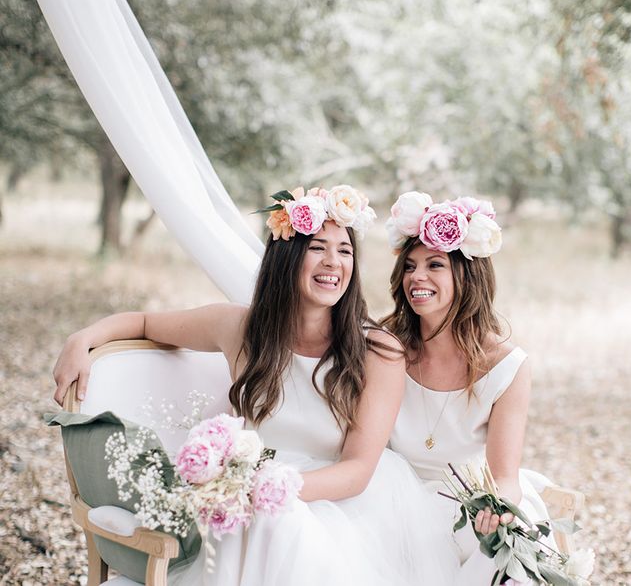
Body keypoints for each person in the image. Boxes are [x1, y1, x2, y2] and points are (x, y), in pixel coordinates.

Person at [53, 185, 455, 586]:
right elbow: (144, 323)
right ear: (287, 258)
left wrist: (265, 491)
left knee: (280, 525)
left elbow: (356, 471)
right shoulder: (240, 327)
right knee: (267, 525)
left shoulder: (377, 350)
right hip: (249, 497)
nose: (333, 262)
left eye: (345, 251)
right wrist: (82, 340)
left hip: (340, 502)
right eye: (317, 247)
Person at [382, 191, 551, 585]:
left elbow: (504, 474)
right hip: (391, 503)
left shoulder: (506, 366)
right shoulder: (384, 346)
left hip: (467, 504)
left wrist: (500, 507)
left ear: (466, 275)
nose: (416, 277)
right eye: (409, 266)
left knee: (496, 558)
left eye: (434, 265)